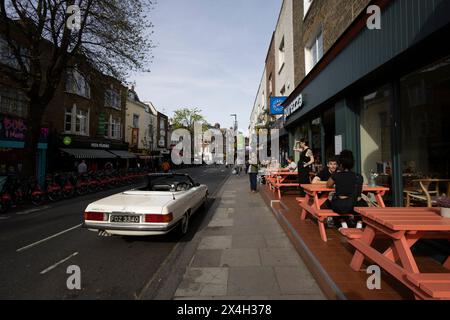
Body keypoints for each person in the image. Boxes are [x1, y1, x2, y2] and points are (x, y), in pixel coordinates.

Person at [326, 150, 365, 230]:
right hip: (352, 206)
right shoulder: (359, 176)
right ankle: (359, 222)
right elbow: (358, 194)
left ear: (340, 164)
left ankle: (341, 221)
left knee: (328, 201)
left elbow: (328, 185)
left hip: (339, 206)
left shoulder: (336, 175)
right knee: (362, 202)